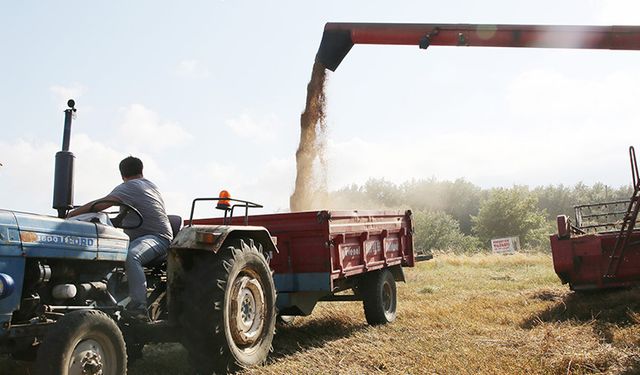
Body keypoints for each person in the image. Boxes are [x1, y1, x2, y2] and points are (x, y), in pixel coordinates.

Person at [68, 156, 173, 320]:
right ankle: (106, 304)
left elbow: (102, 203)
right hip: (140, 239)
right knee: (108, 256)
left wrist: (71, 214)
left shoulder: (131, 186)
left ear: (122, 175)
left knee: (132, 255)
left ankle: (139, 308)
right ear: (141, 170)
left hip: (158, 238)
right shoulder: (149, 185)